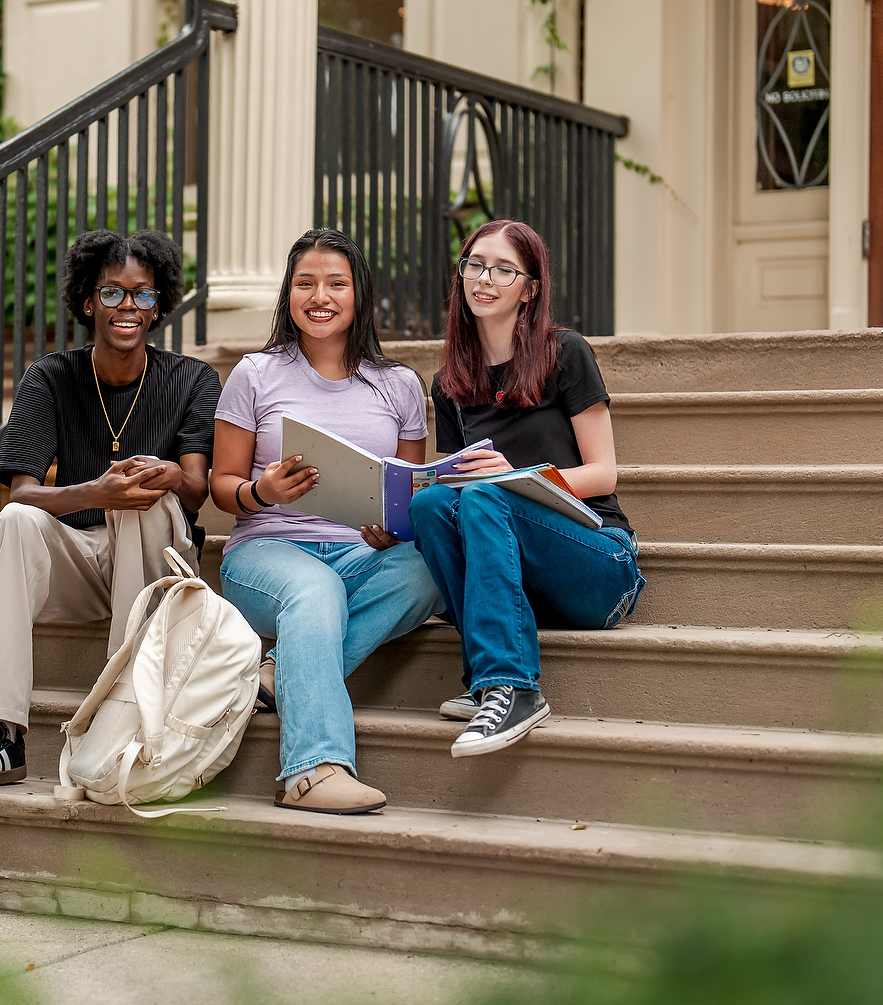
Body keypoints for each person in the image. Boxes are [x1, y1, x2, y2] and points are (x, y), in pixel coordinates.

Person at [0, 229, 221, 794]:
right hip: (78, 558)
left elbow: (196, 490)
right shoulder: (50, 376)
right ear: (87, 301)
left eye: (142, 295)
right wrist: (95, 493)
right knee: (16, 522)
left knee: (146, 501)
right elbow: (20, 493)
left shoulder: (193, 379)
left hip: (154, 560)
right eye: (112, 292)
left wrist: (163, 477)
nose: (127, 307)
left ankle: (122, 714)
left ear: (159, 304)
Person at [211, 228, 445, 816]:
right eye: (305, 282)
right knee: (314, 592)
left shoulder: (399, 386)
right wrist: (260, 491)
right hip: (266, 556)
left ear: (359, 293)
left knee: (432, 568)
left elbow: (405, 495)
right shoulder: (255, 374)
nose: (321, 295)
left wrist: (394, 529)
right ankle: (311, 769)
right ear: (288, 294)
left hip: (357, 553)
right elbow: (221, 488)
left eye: (336, 283)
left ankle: (276, 673)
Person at [410, 219, 644, 758]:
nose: (484, 279)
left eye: (503, 269)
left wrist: (511, 479)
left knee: (489, 495)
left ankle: (513, 688)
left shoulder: (565, 353)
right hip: (522, 586)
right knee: (431, 503)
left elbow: (603, 473)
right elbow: (453, 489)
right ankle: (487, 680)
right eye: (474, 264)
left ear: (530, 288)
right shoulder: (450, 381)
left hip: (598, 563)